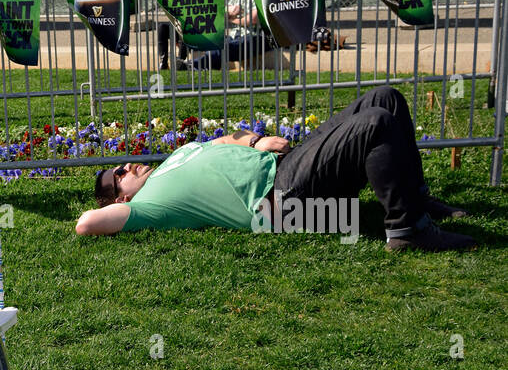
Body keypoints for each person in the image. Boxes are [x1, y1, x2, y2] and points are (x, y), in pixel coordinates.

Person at [76, 86, 475, 252]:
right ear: (122, 196)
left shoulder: (172, 161)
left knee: (385, 97)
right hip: (280, 199)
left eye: (121, 165)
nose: (126, 165)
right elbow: (87, 223)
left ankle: (419, 200)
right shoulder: (149, 206)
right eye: (118, 176)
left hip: (287, 163)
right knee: (375, 124)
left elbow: (221, 141)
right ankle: (408, 231)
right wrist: (114, 205)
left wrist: (254, 140)